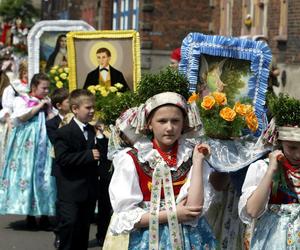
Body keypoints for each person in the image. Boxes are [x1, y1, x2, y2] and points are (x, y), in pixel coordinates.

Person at [104, 92, 216, 249]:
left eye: (175, 121)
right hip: (150, 238)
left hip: (190, 238)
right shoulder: (132, 159)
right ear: (149, 123)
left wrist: (198, 161)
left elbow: (194, 209)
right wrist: (173, 215)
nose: (169, 128)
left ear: (184, 123)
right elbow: (124, 216)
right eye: (162, 121)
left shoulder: (191, 155)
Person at [238, 94, 300, 249]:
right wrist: (271, 171)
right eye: (292, 147)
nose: (298, 154)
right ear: (279, 141)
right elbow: (252, 211)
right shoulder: (263, 168)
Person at [54, 89, 109, 250]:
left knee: (83, 230)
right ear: (75, 109)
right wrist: (87, 155)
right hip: (70, 189)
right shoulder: (64, 132)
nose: (92, 111)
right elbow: (62, 158)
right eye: (88, 108)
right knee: (70, 225)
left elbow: (102, 156)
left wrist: (100, 138)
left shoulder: (93, 130)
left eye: (93, 107)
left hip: (89, 189)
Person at [0, 73, 57, 228]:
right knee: (28, 175)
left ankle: (45, 215)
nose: (46, 91)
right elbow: (19, 118)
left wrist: (49, 109)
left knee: (46, 176)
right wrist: (38, 107)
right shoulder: (21, 100)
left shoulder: (47, 101)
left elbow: (53, 118)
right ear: (34, 87)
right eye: (43, 88)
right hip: (27, 145)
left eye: (48, 88)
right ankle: (29, 215)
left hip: (45, 143)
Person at [46, 87, 70, 249]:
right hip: (61, 166)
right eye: (68, 101)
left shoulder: (78, 120)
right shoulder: (52, 123)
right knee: (61, 202)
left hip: (78, 164)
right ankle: (59, 233)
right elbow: (58, 141)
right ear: (59, 105)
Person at [0, 60, 28, 176]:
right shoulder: (13, 88)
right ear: (22, 72)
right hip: (16, 125)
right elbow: (7, 108)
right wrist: (9, 122)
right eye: (27, 72)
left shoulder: (37, 86)